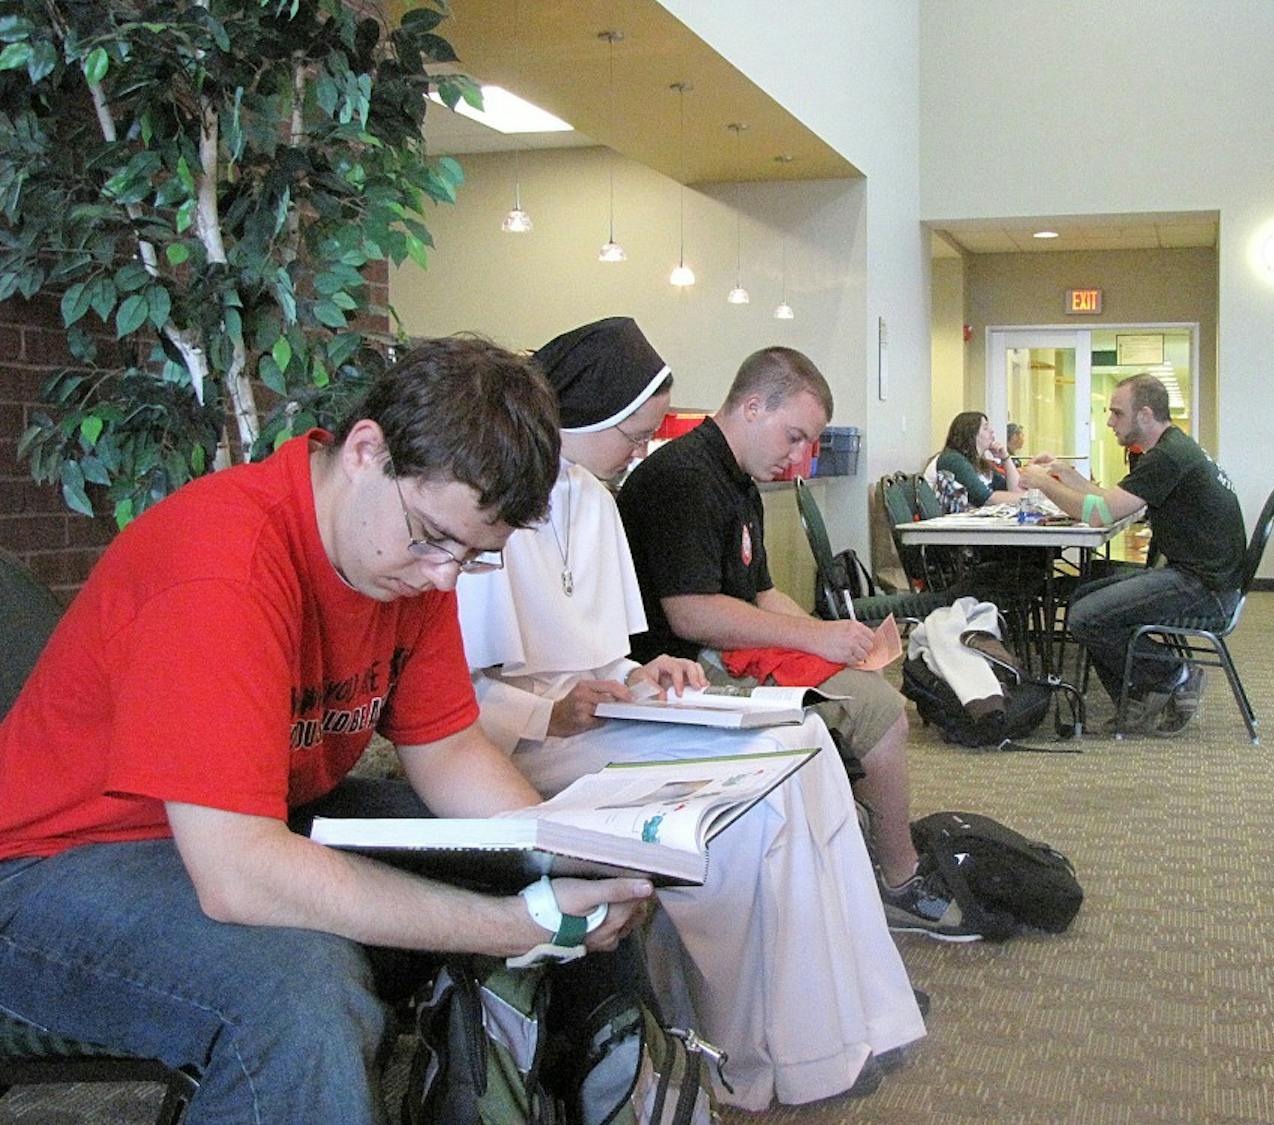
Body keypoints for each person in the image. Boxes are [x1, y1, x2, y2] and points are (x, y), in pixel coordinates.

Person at [0, 338, 653, 1124]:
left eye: (474, 556)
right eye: (434, 539)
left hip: (238, 827)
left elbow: (447, 752)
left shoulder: (403, 558)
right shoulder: (224, 566)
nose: (445, 576)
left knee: (524, 860)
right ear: (367, 451)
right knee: (297, 988)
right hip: (49, 872)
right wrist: (510, 923)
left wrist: (566, 849)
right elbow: (240, 875)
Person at [455, 318, 925, 1108]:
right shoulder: (490, 504)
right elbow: (460, 691)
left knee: (801, 744)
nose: (639, 451)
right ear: (587, 419)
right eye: (633, 434)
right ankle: (746, 1055)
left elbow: (604, 655)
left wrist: (642, 673)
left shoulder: (594, 504)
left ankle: (846, 1018)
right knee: (742, 814)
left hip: (598, 717)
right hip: (519, 743)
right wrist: (551, 709)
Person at [615, 346, 981, 942]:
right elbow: (691, 613)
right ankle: (898, 878)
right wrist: (817, 636)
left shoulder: (735, 482)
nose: (796, 456)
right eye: (793, 437)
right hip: (674, 673)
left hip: (716, 661)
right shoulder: (682, 479)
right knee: (880, 713)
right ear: (753, 406)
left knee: (865, 690)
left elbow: (760, 594)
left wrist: (837, 642)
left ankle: (870, 866)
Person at [1020, 374, 1246, 735]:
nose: (1109, 421)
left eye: (1116, 413)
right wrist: (1065, 474)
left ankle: (1175, 675)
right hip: (1203, 578)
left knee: (1084, 616)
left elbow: (1099, 514)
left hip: (1206, 590)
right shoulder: (1171, 450)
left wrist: (1043, 483)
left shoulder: (1168, 458)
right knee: (1083, 594)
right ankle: (1138, 695)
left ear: (1144, 414)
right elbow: (1110, 501)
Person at [921, 410, 1023, 511]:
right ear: (971, 434)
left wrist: (1005, 458)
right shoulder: (953, 460)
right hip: (943, 524)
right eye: (985, 428)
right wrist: (1030, 498)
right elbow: (986, 499)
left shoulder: (980, 462)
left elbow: (1014, 490)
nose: (992, 431)